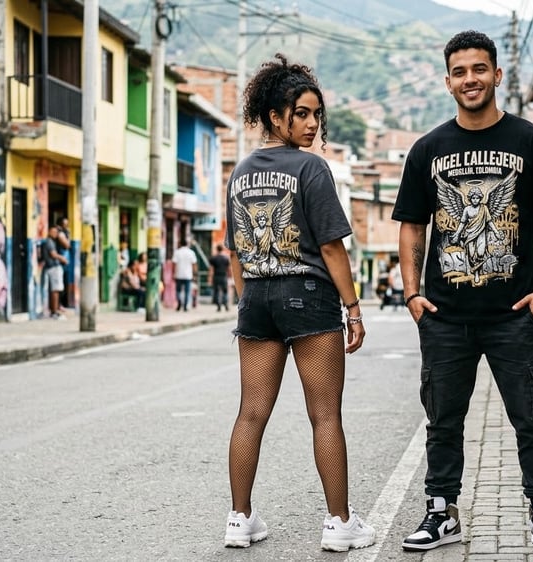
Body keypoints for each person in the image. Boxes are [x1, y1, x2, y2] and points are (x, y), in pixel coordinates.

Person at [391, 30, 533, 557]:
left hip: (515, 315)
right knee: (442, 422)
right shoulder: (428, 149)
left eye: (479, 69)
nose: (469, 79)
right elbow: (412, 225)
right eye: (459, 71)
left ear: (497, 75)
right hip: (445, 317)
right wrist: (411, 295)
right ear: (447, 80)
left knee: (531, 419)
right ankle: (440, 512)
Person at [223, 53, 375, 552]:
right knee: (325, 414)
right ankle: (339, 523)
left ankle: (239, 519)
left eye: (316, 115)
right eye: (302, 114)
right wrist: (352, 307)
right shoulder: (312, 169)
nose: (312, 124)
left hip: (258, 297)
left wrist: (254, 300)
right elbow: (332, 246)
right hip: (309, 297)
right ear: (275, 117)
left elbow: (235, 252)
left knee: (250, 413)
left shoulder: (240, 172)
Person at [43, 225, 69, 320]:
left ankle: (55, 309)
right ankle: (54, 311)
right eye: (53, 232)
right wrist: (62, 258)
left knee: (56, 290)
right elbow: (53, 254)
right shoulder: (49, 242)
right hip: (53, 267)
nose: (55, 234)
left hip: (53, 267)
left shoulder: (53, 242)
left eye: (56, 232)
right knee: (55, 290)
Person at [172, 239, 197, 312]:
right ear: (187, 244)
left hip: (178, 274)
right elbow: (194, 264)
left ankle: (179, 302)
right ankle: (185, 306)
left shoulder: (177, 252)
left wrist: (173, 273)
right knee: (187, 291)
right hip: (188, 275)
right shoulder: (191, 252)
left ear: (180, 244)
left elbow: (174, 264)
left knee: (178, 291)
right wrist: (195, 274)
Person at [209, 244, 230, 311]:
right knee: (225, 291)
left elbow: (211, 269)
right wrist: (229, 276)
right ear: (222, 249)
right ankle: (226, 304)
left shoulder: (214, 258)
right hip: (224, 276)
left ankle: (218, 306)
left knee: (217, 291)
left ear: (217, 249)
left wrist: (210, 278)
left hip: (216, 276)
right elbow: (228, 269)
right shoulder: (226, 258)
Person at [56, 217, 71, 309]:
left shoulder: (64, 233)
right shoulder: (61, 234)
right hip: (60, 262)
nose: (66, 227)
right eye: (64, 224)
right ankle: (59, 304)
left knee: (64, 284)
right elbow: (67, 245)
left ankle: (62, 304)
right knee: (60, 285)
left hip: (65, 262)